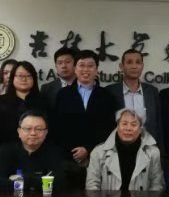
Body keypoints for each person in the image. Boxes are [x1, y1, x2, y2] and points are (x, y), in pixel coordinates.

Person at [51, 50, 120, 189]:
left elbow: (109, 128)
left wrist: (88, 149)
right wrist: (74, 152)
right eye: (81, 65)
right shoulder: (63, 95)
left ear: (97, 69)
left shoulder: (106, 96)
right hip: (67, 159)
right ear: (75, 68)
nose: (86, 70)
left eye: (90, 66)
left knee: (95, 196)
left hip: (98, 157)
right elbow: (57, 126)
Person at [0, 111, 67, 193]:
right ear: (19, 131)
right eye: (28, 129)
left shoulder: (53, 152)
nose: (33, 133)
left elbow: (60, 184)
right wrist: (38, 182)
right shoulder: (6, 150)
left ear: (46, 132)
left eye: (38, 129)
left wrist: (26, 180)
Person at [86, 108, 164, 191]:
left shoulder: (153, 153)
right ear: (117, 126)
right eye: (124, 123)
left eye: (133, 124)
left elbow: (157, 186)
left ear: (140, 129)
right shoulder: (98, 152)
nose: (128, 128)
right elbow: (92, 187)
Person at [106, 49, 162, 143]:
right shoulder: (110, 91)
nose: (134, 66)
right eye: (129, 62)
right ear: (121, 66)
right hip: (119, 146)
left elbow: (158, 125)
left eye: (138, 62)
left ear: (142, 66)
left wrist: (160, 148)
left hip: (148, 146)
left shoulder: (152, 92)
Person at [0, 61, 45, 152]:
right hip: (7, 150)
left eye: (28, 76)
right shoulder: (1, 101)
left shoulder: (43, 101)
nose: (24, 79)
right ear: (13, 78)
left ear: (34, 79)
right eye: (20, 76)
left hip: (38, 151)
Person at [40, 47, 76, 113]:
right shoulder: (46, 89)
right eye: (60, 63)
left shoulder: (85, 85)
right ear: (56, 66)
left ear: (75, 64)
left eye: (68, 62)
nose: (64, 66)